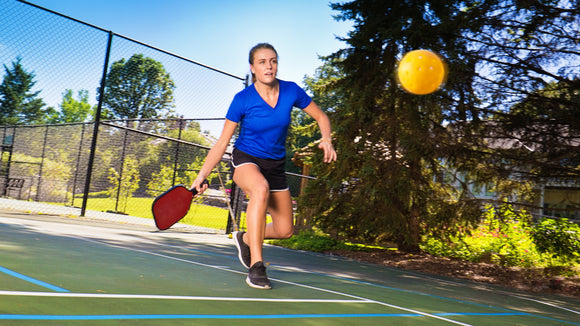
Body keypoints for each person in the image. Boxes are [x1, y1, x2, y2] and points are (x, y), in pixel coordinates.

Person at [191, 43, 337, 289]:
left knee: (285, 230)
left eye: (273, 60)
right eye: (262, 62)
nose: (269, 66)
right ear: (252, 68)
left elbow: (321, 116)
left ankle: (246, 238)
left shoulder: (291, 91)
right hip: (246, 159)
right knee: (259, 189)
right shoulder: (242, 99)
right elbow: (222, 142)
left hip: (276, 165)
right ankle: (257, 266)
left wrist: (327, 139)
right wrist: (201, 175)